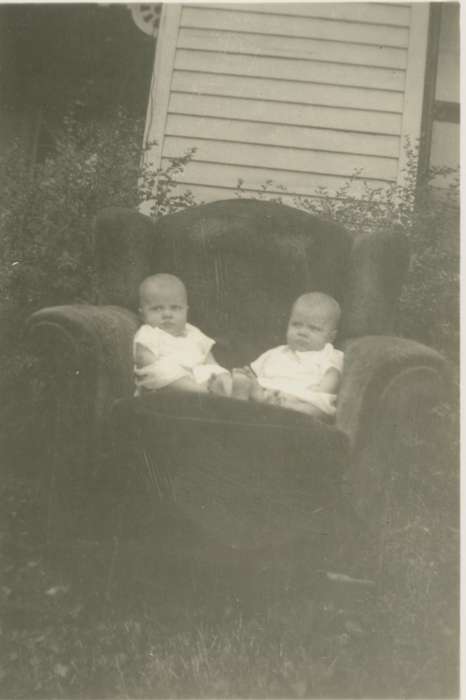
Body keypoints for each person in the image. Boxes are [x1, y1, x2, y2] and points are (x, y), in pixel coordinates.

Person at [231, 292, 343, 419]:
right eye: (296, 324)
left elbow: (333, 375)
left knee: (318, 410)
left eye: (313, 328)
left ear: (331, 337)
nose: (302, 332)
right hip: (269, 392)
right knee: (245, 382)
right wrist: (247, 376)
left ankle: (265, 403)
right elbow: (252, 371)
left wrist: (320, 390)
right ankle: (244, 399)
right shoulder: (276, 353)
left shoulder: (328, 353)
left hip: (302, 397)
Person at [133, 273, 232, 396]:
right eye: (157, 309)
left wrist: (220, 374)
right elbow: (146, 362)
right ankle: (203, 392)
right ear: (142, 314)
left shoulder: (193, 332)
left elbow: (210, 360)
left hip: (199, 378)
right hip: (167, 387)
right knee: (162, 371)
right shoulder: (148, 333)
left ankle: (230, 394)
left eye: (175, 308)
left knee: (218, 371)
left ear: (186, 310)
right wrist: (181, 375)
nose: (167, 314)